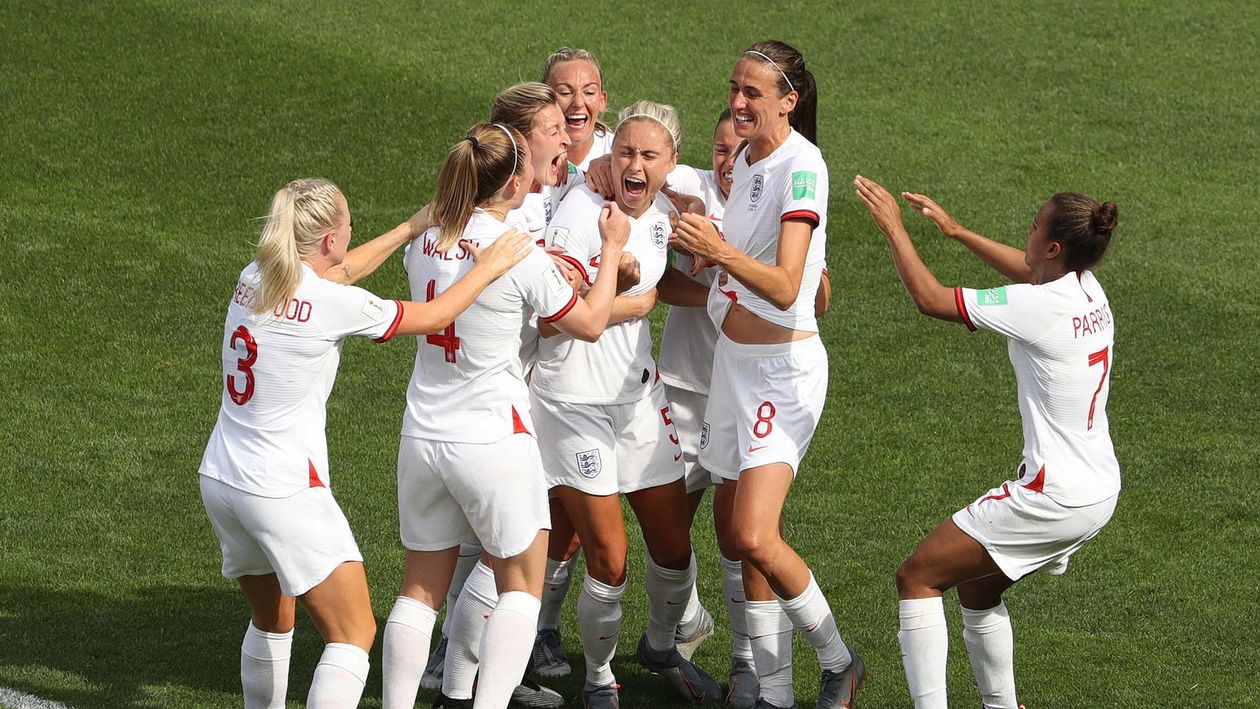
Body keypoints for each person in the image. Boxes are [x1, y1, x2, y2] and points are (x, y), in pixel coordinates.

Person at [198, 178, 530, 709]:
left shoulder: (255, 275)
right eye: (348, 223)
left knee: (272, 618)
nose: (352, 231)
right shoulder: (329, 303)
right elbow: (433, 317)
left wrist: (409, 227)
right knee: (353, 636)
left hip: (221, 477)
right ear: (331, 238)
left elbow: (340, 275)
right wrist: (489, 266)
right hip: (283, 489)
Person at [379, 123, 631, 709]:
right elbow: (590, 323)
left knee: (419, 589)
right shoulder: (518, 253)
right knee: (521, 580)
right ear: (515, 181)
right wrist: (613, 246)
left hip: (422, 433)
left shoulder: (426, 241)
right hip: (492, 434)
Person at [854, 176, 1122, 709]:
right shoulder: (1087, 287)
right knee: (977, 588)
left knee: (918, 577)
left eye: (1034, 224)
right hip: (1099, 488)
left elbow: (930, 299)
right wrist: (956, 232)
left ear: (1053, 246)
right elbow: (1029, 272)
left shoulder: (1039, 308)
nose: (1027, 229)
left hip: (1053, 494)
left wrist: (893, 228)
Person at [671, 40, 865, 709]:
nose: (737, 103)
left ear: (790, 98)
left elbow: (786, 286)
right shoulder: (750, 158)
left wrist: (716, 248)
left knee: (755, 532)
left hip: (782, 373)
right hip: (734, 366)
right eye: (734, 88)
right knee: (735, 533)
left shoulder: (803, 168)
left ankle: (840, 660)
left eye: (753, 92)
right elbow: (737, 250)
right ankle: (774, 694)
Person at [530, 101, 723, 708]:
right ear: (608, 159)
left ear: (669, 162)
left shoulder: (668, 202)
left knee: (674, 547)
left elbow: (669, 251)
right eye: (624, 154)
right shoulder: (580, 214)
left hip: (638, 398)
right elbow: (552, 321)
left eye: (649, 156)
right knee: (609, 561)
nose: (633, 166)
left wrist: (719, 289)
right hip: (573, 403)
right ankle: (598, 678)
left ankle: (662, 647)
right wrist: (625, 295)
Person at [542, 47, 613, 172]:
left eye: (589, 92)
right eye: (565, 92)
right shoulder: (525, 156)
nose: (578, 103)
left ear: (602, 101)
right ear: (543, 99)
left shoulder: (621, 154)